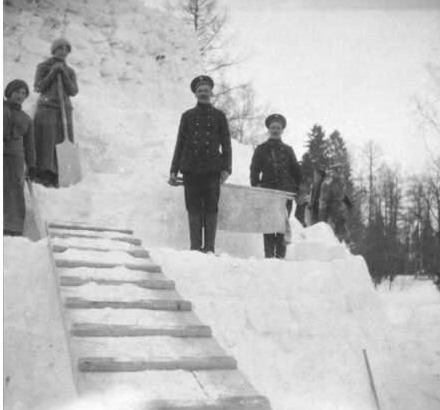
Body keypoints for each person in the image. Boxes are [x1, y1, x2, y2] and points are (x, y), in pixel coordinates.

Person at [168, 75, 232, 253]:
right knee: (193, 207)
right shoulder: (187, 116)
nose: (203, 93)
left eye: (206, 90)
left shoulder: (219, 116)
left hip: (212, 170)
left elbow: (226, 144)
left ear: (211, 92)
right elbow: (179, 143)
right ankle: (195, 248)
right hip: (191, 170)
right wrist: (173, 170)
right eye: (200, 91)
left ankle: (209, 248)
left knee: (211, 207)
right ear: (195, 94)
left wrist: (227, 168)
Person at [250, 114, 302, 258]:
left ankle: (280, 257)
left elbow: (296, 171)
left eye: (278, 128)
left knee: (281, 225)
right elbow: (254, 169)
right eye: (273, 127)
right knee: (268, 224)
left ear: (282, 130)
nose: (275, 130)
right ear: (268, 129)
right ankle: (268, 257)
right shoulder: (261, 149)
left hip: (285, 194)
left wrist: (297, 189)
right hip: (267, 192)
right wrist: (256, 185)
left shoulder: (288, 150)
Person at [33, 38, 79, 187]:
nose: (63, 52)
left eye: (66, 49)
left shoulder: (70, 71)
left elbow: (73, 91)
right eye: (60, 48)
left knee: (63, 139)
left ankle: (62, 173)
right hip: (47, 107)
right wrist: (53, 73)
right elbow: (38, 87)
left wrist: (63, 74)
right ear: (54, 50)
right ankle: (44, 172)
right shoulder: (43, 67)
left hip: (64, 108)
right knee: (47, 139)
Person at [3, 79, 37, 236]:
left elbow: (30, 146)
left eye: (24, 93)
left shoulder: (26, 119)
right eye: (17, 91)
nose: (20, 95)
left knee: (14, 190)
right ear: (9, 92)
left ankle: (13, 227)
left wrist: (31, 166)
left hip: (15, 158)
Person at [312, 161, 351, 242]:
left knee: (341, 220)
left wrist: (348, 202)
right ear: (334, 171)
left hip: (337, 204)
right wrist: (323, 207)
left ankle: (342, 239)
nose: (340, 172)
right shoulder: (329, 180)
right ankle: (321, 238)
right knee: (324, 223)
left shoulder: (341, 181)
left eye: (341, 170)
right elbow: (324, 193)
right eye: (338, 170)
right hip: (328, 205)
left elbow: (342, 193)